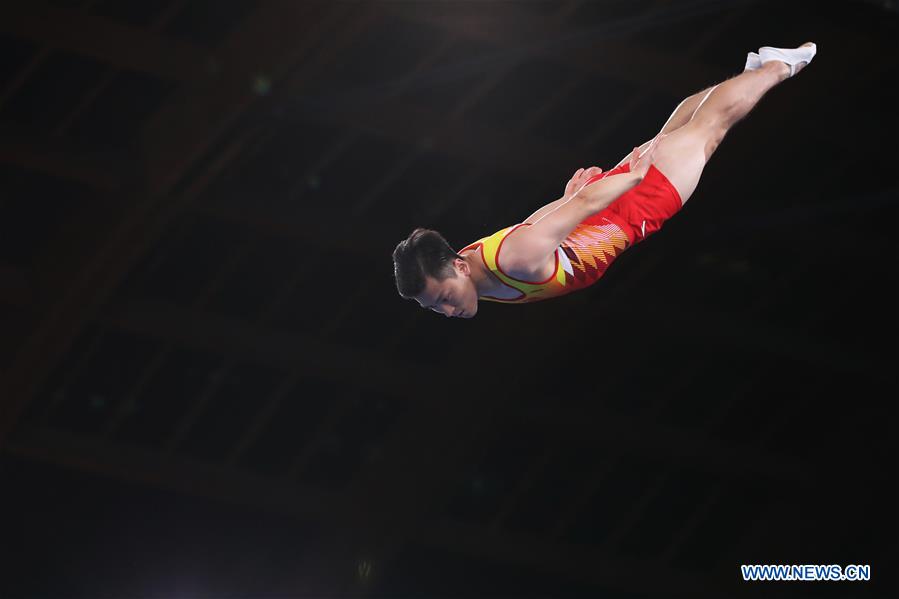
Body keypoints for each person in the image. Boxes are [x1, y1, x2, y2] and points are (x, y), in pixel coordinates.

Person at [392, 43, 817, 318]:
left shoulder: (512, 262)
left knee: (710, 130)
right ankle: (756, 69)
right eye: (436, 308)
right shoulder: (477, 268)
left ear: (460, 268)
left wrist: (631, 177)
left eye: (445, 298)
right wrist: (565, 201)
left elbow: (574, 214)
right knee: (689, 122)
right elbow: (537, 226)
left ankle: (778, 67)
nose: (447, 311)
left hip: (635, 204)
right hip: (610, 208)